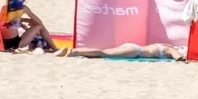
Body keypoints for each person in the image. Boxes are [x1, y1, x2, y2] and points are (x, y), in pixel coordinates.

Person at [56, 43, 184, 60]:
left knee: (103, 52)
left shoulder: (165, 45)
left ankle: (68, 51)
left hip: (133, 47)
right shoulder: (170, 48)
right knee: (103, 53)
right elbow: (178, 57)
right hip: (135, 51)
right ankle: (75, 52)